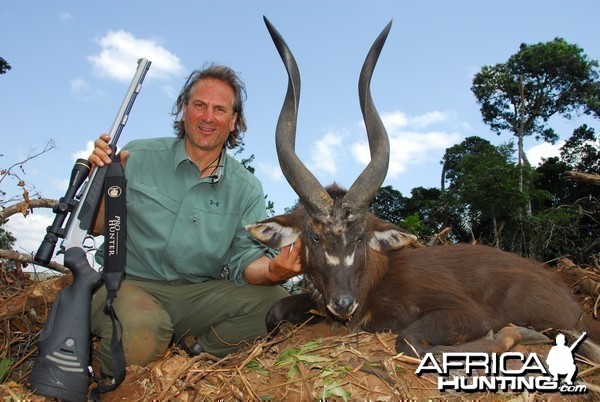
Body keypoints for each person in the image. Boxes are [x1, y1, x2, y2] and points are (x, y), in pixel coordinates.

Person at [88, 64, 302, 377]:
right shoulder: (137, 156)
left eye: (220, 109)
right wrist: (102, 180)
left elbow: (246, 261)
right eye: (199, 105)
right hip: (126, 284)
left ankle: (193, 353)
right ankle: (112, 383)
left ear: (233, 122)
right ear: (183, 111)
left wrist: (273, 270)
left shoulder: (247, 188)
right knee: (141, 335)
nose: (207, 117)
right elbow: (95, 227)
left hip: (198, 296)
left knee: (278, 305)